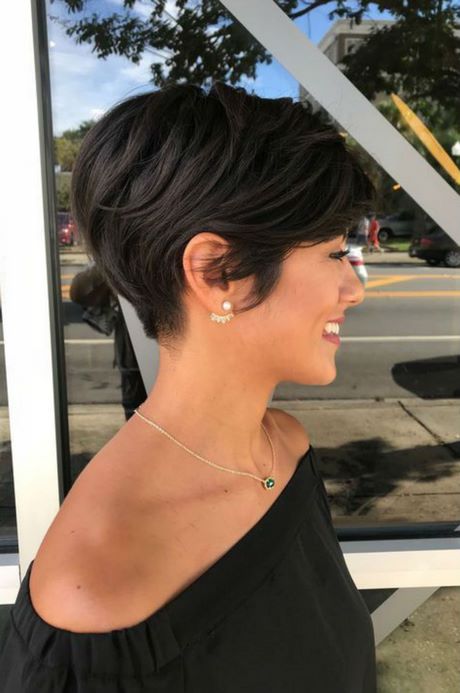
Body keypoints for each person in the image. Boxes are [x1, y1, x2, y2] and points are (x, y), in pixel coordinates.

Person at [0, 82, 377, 692]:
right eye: (334, 255)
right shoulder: (96, 598)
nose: (355, 289)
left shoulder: (286, 450)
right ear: (217, 271)